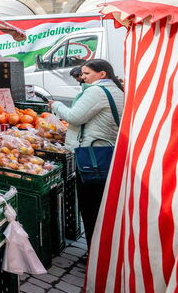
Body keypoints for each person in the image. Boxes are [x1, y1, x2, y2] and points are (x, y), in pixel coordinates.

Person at [51, 59, 124, 244]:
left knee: (91, 208)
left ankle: (95, 252)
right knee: (103, 207)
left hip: (93, 159)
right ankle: (103, 249)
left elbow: (74, 117)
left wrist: (56, 105)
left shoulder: (97, 91)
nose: (83, 77)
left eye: (87, 73)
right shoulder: (117, 90)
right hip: (109, 153)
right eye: (82, 74)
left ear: (102, 74)